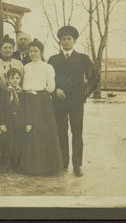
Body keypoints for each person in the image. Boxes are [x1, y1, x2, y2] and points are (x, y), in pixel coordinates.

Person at [48, 26, 98, 177]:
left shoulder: (83, 59)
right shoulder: (53, 60)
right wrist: (55, 89)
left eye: (69, 38)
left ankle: (77, 165)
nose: (66, 41)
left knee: (77, 132)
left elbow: (94, 78)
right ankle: (63, 163)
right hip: (59, 101)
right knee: (61, 131)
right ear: (60, 41)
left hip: (76, 102)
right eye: (64, 39)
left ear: (74, 40)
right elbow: (48, 79)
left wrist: (84, 94)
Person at [19, 39, 63, 175]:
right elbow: (22, 84)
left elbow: (51, 87)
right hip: (28, 99)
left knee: (43, 131)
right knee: (30, 132)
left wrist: (39, 93)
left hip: (42, 101)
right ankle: (31, 167)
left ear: (41, 52)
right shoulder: (25, 67)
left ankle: (47, 167)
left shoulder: (47, 67)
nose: (33, 54)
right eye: (31, 51)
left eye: (36, 51)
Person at [0, 68, 25, 173]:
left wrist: (27, 122)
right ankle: (6, 164)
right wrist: (2, 123)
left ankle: (17, 165)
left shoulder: (23, 93)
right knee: (8, 143)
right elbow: (1, 109)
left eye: (17, 78)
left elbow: (26, 108)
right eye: (12, 78)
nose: (15, 80)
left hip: (19, 122)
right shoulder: (4, 93)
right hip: (8, 122)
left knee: (19, 143)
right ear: (7, 79)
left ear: (20, 79)